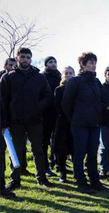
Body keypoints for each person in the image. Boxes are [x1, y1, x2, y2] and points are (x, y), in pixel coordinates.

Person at [1, 47, 54, 190]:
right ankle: (15, 180)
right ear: (17, 58)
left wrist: (37, 107)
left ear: (31, 59)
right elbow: (3, 101)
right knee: (16, 151)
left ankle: (41, 178)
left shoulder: (40, 77)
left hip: (35, 119)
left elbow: (48, 95)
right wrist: (5, 121)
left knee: (38, 149)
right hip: (15, 120)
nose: (25, 60)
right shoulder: (8, 77)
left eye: (28, 57)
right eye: (23, 57)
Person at [62, 52, 105, 194]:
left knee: (92, 153)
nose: (93, 65)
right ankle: (81, 182)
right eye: (91, 62)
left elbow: (100, 101)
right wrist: (74, 119)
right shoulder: (75, 81)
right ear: (83, 64)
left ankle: (95, 181)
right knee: (79, 154)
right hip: (79, 124)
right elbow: (66, 103)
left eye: (95, 62)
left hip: (94, 124)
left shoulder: (96, 81)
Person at [53, 66, 75, 182]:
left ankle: (77, 172)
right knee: (61, 149)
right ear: (62, 75)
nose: (68, 75)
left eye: (71, 73)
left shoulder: (78, 89)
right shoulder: (59, 89)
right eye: (66, 73)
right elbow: (58, 106)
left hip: (75, 122)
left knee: (75, 149)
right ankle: (63, 173)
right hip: (62, 122)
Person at [42, 56, 61, 177]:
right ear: (46, 64)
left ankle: (58, 164)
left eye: (55, 61)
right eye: (50, 62)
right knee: (45, 141)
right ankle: (45, 167)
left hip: (58, 113)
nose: (53, 64)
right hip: (46, 113)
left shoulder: (60, 76)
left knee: (58, 140)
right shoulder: (42, 77)